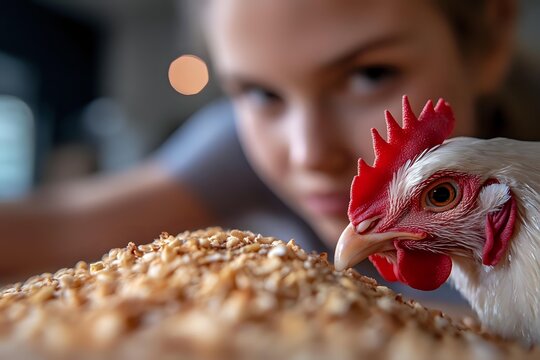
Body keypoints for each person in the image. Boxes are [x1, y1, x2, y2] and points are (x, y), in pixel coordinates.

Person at [0, 0, 530, 311]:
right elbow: (60, 226)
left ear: (488, 43)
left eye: (370, 74)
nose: (308, 154)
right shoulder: (238, 145)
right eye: (259, 93)